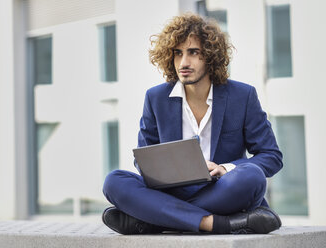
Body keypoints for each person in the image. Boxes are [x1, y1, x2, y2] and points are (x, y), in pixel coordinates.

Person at [102, 13, 283, 235]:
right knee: (114, 181)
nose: (184, 63)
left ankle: (155, 220)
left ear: (210, 56)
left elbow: (271, 156)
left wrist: (224, 168)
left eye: (193, 53)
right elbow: (143, 159)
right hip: (172, 191)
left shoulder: (243, 96)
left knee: (252, 176)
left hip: (222, 189)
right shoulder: (155, 98)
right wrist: (170, 172)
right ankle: (217, 223)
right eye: (177, 54)